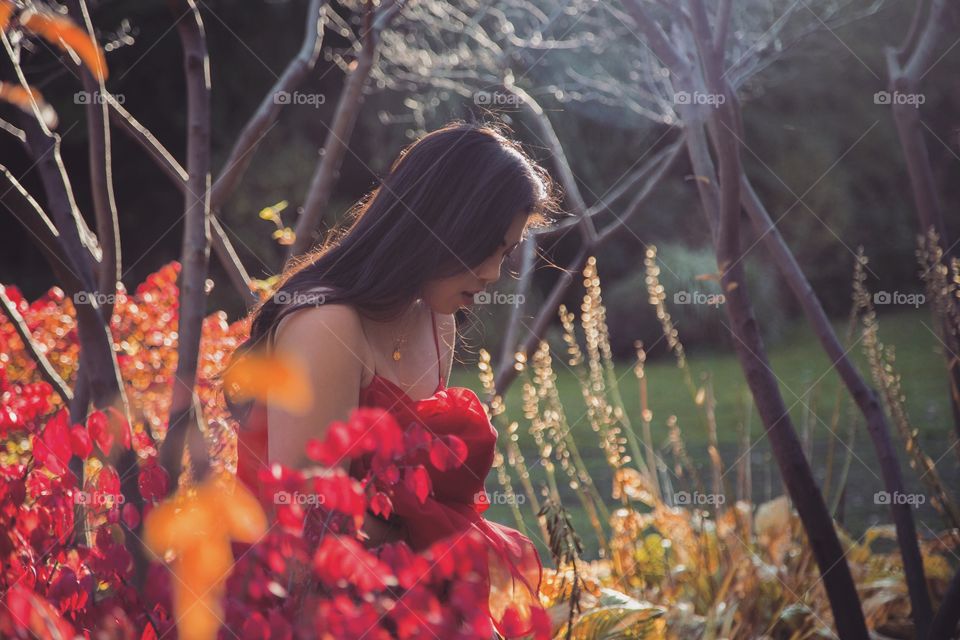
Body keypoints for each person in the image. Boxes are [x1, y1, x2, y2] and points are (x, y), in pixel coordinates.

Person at [227, 121, 558, 637]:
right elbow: (302, 528)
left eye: (506, 253)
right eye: (489, 248)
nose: (495, 273)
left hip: (396, 589)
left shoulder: (436, 319)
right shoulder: (328, 327)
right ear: (442, 228)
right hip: (295, 606)